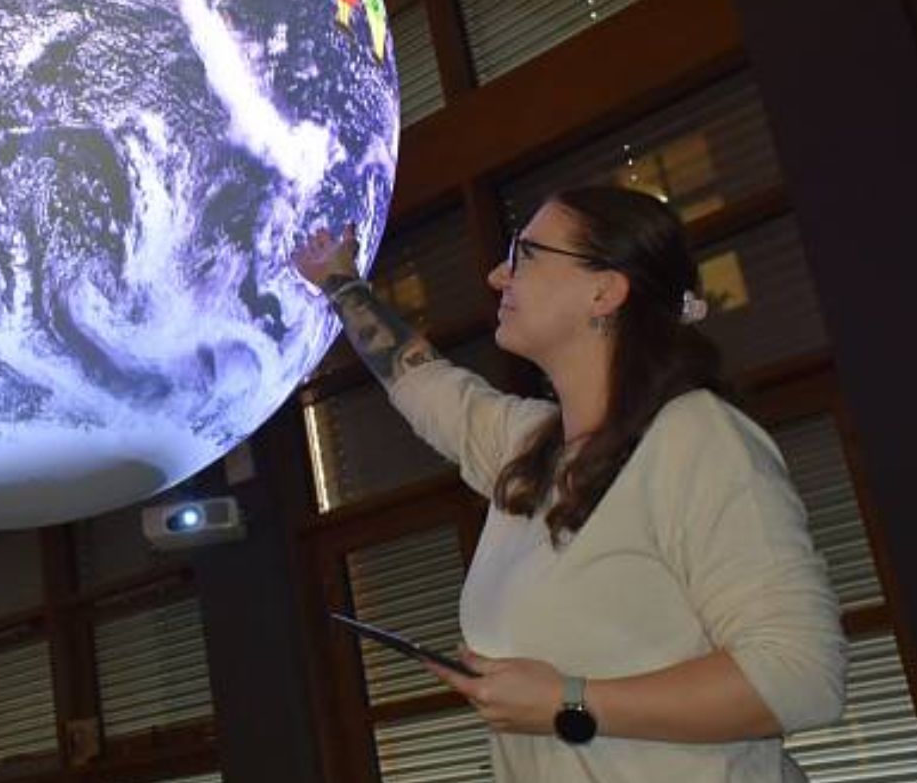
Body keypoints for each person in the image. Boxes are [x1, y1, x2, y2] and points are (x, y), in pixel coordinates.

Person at [290, 186, 846, 781]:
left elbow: (801, 676)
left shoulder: (696, 437)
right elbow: (423, 384)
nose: (498, 274)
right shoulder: (530, 446)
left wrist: (568, 701)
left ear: (604, 290)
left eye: (525, 254)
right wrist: (341, 284)